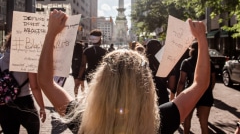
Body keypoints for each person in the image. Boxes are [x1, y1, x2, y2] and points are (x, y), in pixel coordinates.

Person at [38, 10, 210, 134]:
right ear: (145, 82)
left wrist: (51, 33)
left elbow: (45, 82)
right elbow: (200, 83)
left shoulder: (84, 121)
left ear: (100, 81)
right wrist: (201, 39)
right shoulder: (160, 122)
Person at [0, 32, 46, 134]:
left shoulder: (1, 61)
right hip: (25, 102)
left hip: (4, 104)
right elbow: (34, 87)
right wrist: (42, 107)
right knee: (33, 130)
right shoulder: (27, 61)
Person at [176, 41, 216, 134]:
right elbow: (213, 79)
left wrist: (178, 96)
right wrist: (209, 90)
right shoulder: (209, 62)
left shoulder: (186, 62)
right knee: (204, 123)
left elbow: (182, 81)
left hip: (191, 94)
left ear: (191, 50)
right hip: (206, 94)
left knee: (187, 120)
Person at [145, 39, 174, 105]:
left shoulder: (143, 63)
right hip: (163, 96)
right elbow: (171, 85)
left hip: (147, 96)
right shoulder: (167, 63)